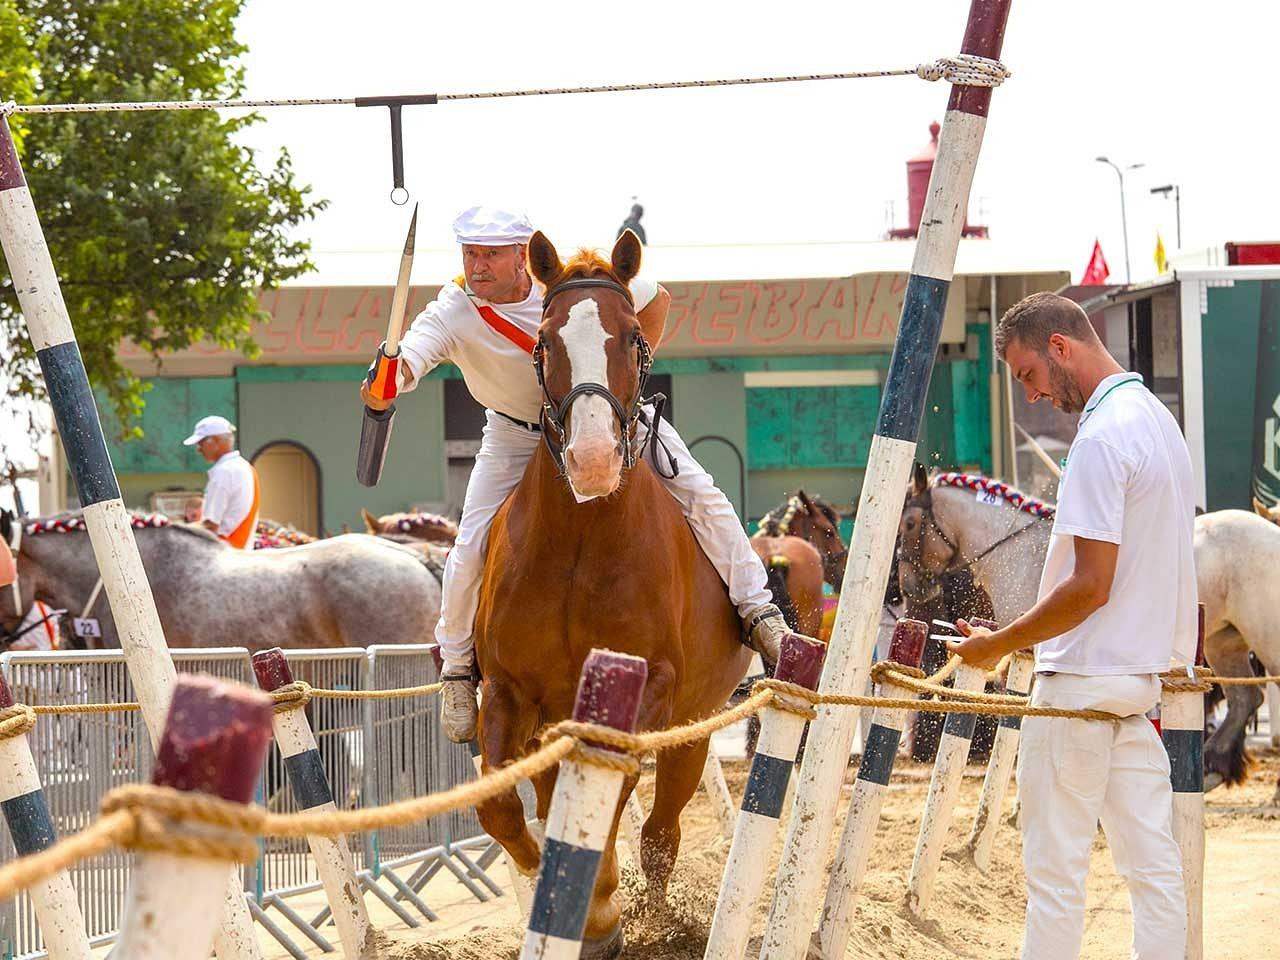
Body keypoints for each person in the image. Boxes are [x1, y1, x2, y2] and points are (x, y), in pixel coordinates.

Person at [360, 205, 791, 742]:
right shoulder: (453, 308)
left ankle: (760, 613)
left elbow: (656, 300)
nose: (478, 266)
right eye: (470, 254)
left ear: (524, 257)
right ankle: (455, 668)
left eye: (491, 255)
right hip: (515, 434)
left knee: (703, 496)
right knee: (469, 543)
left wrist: (633, 366)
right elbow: (410, 361)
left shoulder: (572, 285)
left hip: (610, 415)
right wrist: (387, 376)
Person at [946, 292, 1195, 960]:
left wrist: (996, 645)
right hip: (1132, 690)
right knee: (1155, 875)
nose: (1031, 395)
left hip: (1079, 686)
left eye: (1028, 374)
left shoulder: (1101, 436)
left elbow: (1090, 584)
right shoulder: (1161, 426)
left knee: (1055, 881)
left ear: (1060, 347)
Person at [182, 415, 260, 551]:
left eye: (201, 443)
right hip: (242, 551)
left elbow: (210, 525)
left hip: (225, 553)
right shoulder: (245, 466)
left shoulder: (224, 472)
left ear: (216, 440)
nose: (198, 449)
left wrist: (173, 529)